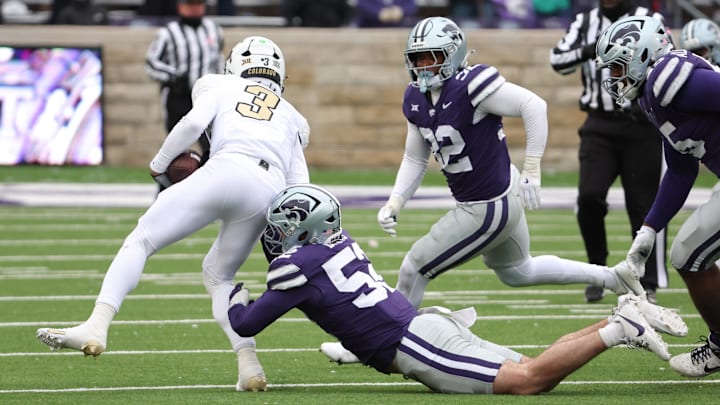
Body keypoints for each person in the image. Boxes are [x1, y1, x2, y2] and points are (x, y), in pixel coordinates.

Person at [370, 15, 683, 336]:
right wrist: (396, 200)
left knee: (413, 267)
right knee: (519, 271)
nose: (422, 67)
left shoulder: (471, 84)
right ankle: (613, 278)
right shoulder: (414, 98)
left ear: (452, 54)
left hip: (486, 205)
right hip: (496, 197)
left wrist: (533, 167)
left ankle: (385, 339)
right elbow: (414, 156)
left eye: (430, 58)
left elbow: (533, 105)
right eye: (416, 59)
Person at [36, 36, 311, 392]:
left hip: (226, 168)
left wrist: (159, 165)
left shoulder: (219, 83)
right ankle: (248, 364)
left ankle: (97, 324)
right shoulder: (292, 116)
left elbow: (192, 124)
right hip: (267, 191)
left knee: (141, 239)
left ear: (235, 66)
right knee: (218, 276)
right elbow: (300, 187)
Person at [228, 184, 672, 395]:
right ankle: (622, 316)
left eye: (283, 226)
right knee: (536, 370)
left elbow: (247, 321)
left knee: (529, 382)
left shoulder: (295, 269)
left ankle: (620, 328)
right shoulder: (340, 243)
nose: (276, 235)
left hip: (414, 343)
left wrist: (228, 292)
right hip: (427, 326)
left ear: (302, 228)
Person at [595, 15, 720, 378]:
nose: (614, 77)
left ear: (643, 55)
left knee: (691, 254)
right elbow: (681, 169)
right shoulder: (652, 97)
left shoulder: (666, 77)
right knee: (686, 255)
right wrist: (648, 231)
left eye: (619, 65)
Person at [549, 0, 668, 303]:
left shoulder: (649, 18)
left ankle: (647, 280)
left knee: (643, 207)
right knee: (589, 197)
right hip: (599, 125)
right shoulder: (584, 21)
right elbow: (558, 59)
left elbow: (668, 59)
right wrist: (592, 49)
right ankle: (597, 271)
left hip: (642, 126)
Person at [145, 0, 224, 168]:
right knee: (175, 152)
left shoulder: (213, 30)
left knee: (212, 147)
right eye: (190, 4)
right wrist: (173, 76)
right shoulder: (167, 33)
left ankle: (209, 190)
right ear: (181, 6)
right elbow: (151, 63)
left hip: (205, 97)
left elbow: (218, 60)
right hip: (178, 96)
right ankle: (166, 191)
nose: (194, 9)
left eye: (198, 4)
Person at [283, 0, 351, 27]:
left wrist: (343, 24)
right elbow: (289, 9)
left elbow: (347, 11)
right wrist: (292, 23)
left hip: (333, 30)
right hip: (308, 30)